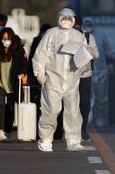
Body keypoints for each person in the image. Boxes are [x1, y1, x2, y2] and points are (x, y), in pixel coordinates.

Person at [32, 8, 87, 152]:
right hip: (53, 79)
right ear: (59, 19)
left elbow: (84, 55)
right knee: (50, 110)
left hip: (72, 79)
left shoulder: (78, 36)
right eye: (64, 19)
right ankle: (46, 139)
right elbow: (40, 54)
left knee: (73, 111)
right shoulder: (51, 34)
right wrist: (39, 72)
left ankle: (73, 140)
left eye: (69, 19)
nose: (66, 21)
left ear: (73, 20)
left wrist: (82, 68)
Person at [82, 18, 115, 128]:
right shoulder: (79, 36)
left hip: (101, 71)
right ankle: (87, 118)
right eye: (86, 25)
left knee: (101, 97)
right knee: (86, 96)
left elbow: (112, 49)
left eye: (90, 24)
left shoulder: (102, 36)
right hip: (84, 71)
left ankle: (100, 117)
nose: (89, 27)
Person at [0, 27, 27, 140]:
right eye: (4, 39)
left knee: (10, 107)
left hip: (13, 82)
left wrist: (22, 73)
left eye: (8, 39)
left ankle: (7, 128)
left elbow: (24, 64)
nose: (6, 41)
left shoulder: (18, 50)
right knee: (0, 105)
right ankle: (0, 131)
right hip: (0, 81)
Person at [73, 15, 99, 141]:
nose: (76, 27)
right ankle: (68, 130)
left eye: (77, 24)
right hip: (68, 76)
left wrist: (86, 53)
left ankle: (82, 129)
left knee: (84, 103)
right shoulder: (62, 36)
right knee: (71, 103)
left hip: (85, 75)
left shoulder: (89, 37)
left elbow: (96, 55)